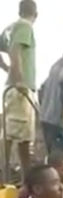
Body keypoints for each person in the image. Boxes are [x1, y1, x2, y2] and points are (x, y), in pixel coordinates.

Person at [2, 0, 38, 177]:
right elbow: (15, 50)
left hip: (17, 85)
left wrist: (7, 69)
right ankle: (4, 173)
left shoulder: (10, 29)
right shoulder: (25, 26)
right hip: (20, 87)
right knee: (11, 134)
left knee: (24, 136)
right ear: (35, 14)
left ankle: (26, 177)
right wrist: (19, 79)